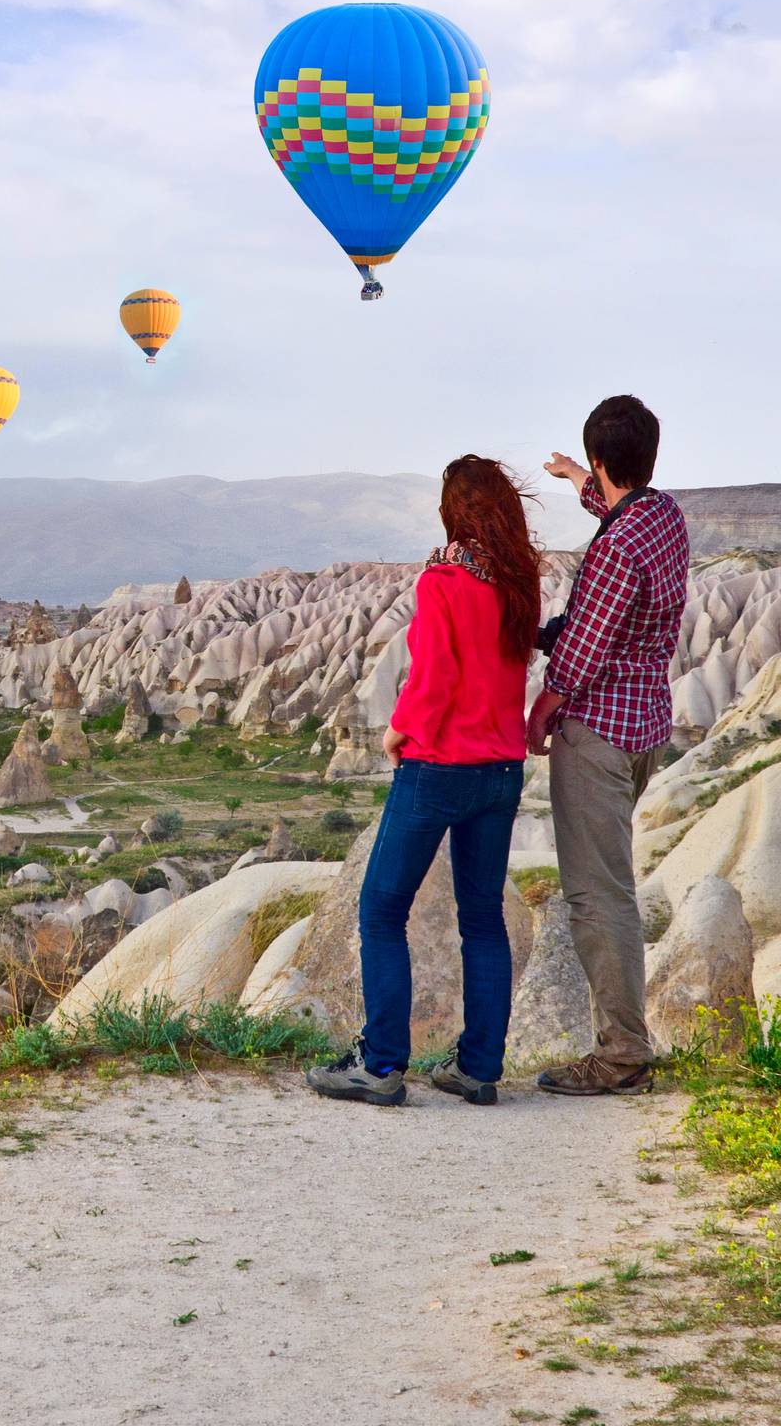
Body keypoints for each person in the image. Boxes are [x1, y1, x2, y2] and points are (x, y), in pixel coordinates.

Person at [308, 455, 540, 1109]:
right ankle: (478, 1068)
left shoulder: (444, 581)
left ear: (452, 513)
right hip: (502, 769)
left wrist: (398, 730)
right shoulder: (519, 585)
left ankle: (380, 1064)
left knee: (381, 911)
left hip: (439, 766)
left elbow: (434, 676)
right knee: (483, 919)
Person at [526, 394, 691, 1097]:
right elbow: (616, 506)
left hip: (597, 733)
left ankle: (621, 1055)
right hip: (645, 726)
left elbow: (584, 647)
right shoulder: (662, 516)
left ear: (602, 458)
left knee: (598, 897)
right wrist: (575, 477)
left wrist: (542, 708)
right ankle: (623, 1045)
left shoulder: (615, 548)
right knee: (611, 887)